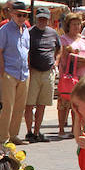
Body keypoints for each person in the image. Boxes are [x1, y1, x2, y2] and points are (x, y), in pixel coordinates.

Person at [0, 0, 32, 144]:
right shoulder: (5, 30)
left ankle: (13, 135)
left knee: (20, 107)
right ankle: (3, 138)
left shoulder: (25, 30)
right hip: (9, 72)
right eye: (19, 15)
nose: (21, 18)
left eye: (24, 16)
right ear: (12, 15)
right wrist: (2, 71)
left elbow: (26, 51)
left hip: (23, 73)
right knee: (8, 106)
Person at [25, 8, 59, 142]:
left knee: (42, 104)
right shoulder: (29, 33)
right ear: (36, 18)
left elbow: (59, 48)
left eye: (45, 19)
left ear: (48, 19)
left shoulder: (53, 33)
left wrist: (56, 61)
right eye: (40, 18)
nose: (42, 21)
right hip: (33, 72)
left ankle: (37, 131)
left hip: (48, 72)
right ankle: (29, 132)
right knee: (29, 104)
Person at [55, 12, 85, 138]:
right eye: (74, 24)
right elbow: (64, 55)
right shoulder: (64, 39)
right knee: (64, 102)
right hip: (69, 75)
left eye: (78, 24)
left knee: (79, 103)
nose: (76, 27)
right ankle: (61, 129)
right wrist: (76, 57)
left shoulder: (84, 41)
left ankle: (74, 128)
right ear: (68, 25)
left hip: (82, 75)